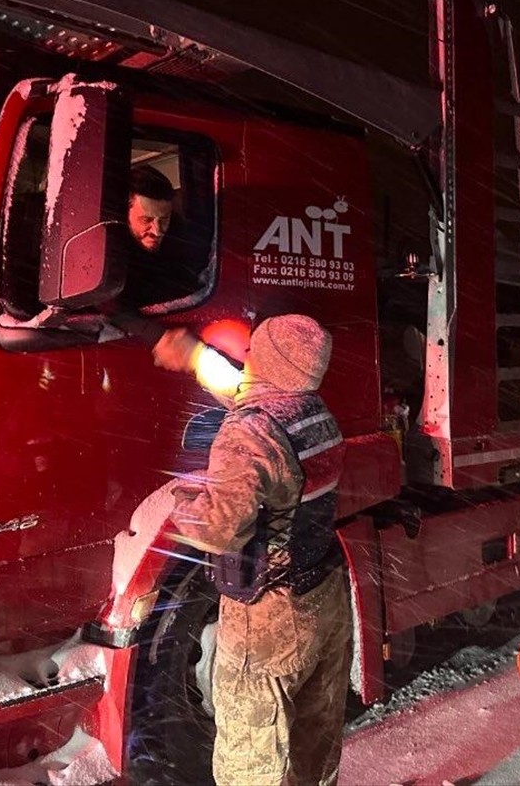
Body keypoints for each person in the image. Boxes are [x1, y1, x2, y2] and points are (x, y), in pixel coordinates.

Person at [163, 314, 352, 786]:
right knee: (315, 738)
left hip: (269, 616)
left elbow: (217, 527)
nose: (245, 357)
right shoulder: (314, 412)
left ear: (266, 361)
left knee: (251, 757)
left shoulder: (250, 434)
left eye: (253, 351)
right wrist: (195, 359)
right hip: (323, 598)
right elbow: (252, 401)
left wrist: (181, 497)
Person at [118, 164, 203, 310]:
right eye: (147, 220)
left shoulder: (182, 237)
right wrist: (158, 333)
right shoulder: (110, 253)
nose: (157, 231)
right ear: (125, 214)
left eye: (164, 219)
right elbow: (111, 308)